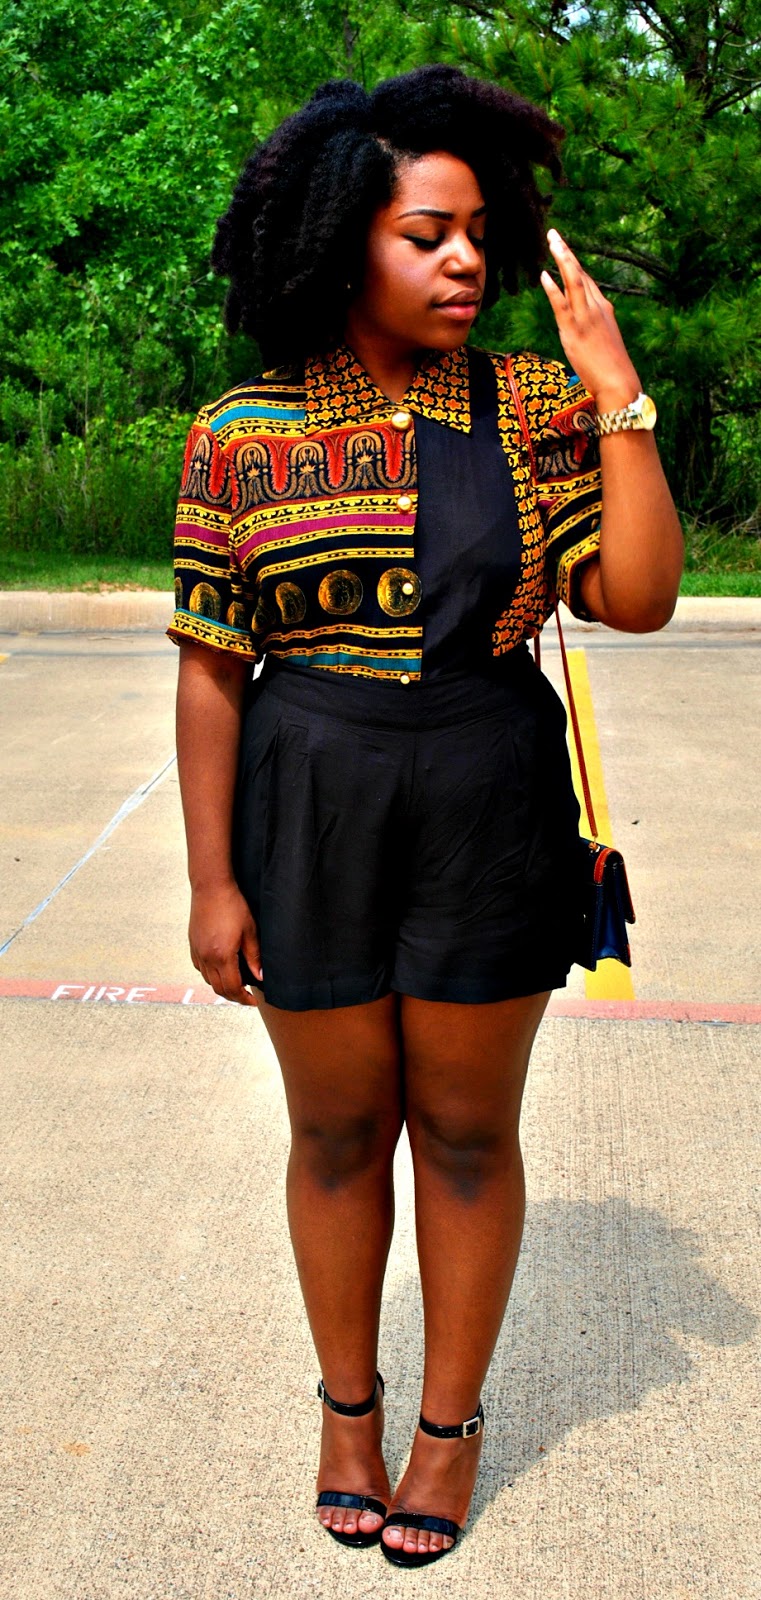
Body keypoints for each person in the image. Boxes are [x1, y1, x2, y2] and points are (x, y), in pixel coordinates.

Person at [167, 65, 683, 1567]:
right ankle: (350, 1412)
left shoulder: (529, 406)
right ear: (343, 242)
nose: (464, 261)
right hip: (308, 801)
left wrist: (615, 392)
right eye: (424, 235)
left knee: (464, 1131)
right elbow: (212, 672)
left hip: (487, 798)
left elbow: (638, 597)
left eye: (475, 234)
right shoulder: (242, 433)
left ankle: (449, 1429)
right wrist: (212, 883)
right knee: (336, 1130)